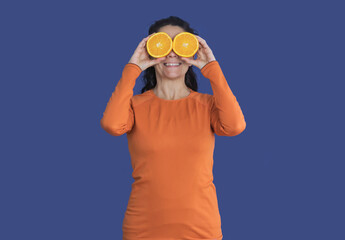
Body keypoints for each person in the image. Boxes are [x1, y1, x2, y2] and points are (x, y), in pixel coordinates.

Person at [100, 16, 246, 240]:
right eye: (163, 44)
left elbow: (235, 126)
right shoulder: (134, 107)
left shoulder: (207, 106)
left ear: (192, 51)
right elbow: (111, 125)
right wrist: (133, 68)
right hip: (143, 230)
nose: (171, 53)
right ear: (150, 51)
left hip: (201, 230)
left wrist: (211, 67)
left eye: (180, 44)